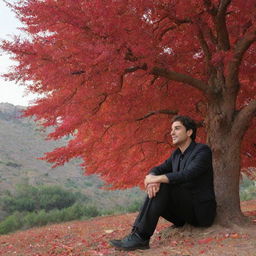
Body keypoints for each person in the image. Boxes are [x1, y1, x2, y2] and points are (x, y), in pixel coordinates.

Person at [109, 115, 216, 251]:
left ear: (189, 132)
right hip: (182, 214)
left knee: (164, 184)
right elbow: (158, 169)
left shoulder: (202, 151)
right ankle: (136, 234)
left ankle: (141, 237)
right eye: (171, 129)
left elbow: (187, 175)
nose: (172, 133)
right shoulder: (176, 155)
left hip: (201, 212)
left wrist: (157, 179)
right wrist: (152, 177)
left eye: (177, 129)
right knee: (157, 186)